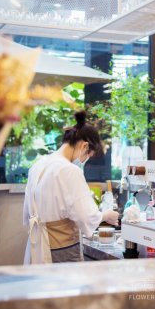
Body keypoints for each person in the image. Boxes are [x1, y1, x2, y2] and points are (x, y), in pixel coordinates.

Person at [23, 110, 119, 264]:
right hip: (60, 248)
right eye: (89, 155)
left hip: (37, 244)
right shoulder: (69, 170)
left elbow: (28, 213)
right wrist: (105, 215)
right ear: (84, 146)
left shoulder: (37, 166)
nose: (86, 159)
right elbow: (85, 216)